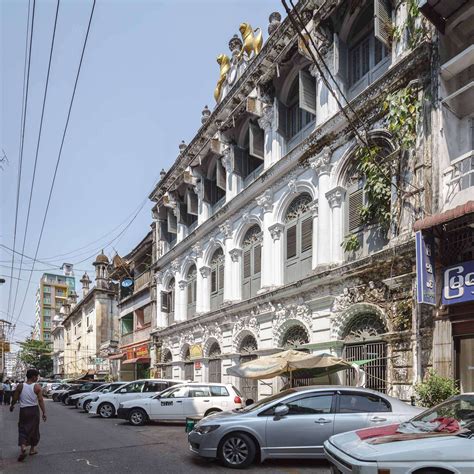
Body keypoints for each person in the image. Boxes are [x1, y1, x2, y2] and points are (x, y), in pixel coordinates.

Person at [10, 369, 47, 462]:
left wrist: (12, 405)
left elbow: (15, 397)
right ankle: (32, 449)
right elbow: (40, 400)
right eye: (37, 376)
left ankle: (23, 446)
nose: (37, 378)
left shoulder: (20, 386)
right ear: (34, 376)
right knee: (34, 429)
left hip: (23, 410)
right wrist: (44, 412)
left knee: (22, 428)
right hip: (34, 410)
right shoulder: (37, 387)